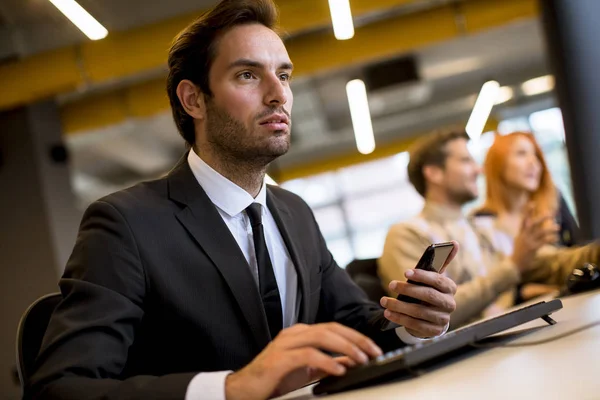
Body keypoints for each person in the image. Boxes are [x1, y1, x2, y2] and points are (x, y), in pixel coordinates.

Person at [27, 1, 458, 399]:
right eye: (248, 75)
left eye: (284, 75)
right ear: (193, 99)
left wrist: (409, 326)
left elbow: (355, 325)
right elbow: (61, 387)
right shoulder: (125, 224)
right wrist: (231, 388)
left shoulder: (294, 212)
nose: (279, 95)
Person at [378, 130, 599, 328]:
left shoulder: (482, 227)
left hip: (513, 336)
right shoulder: (407, 234)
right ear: (434, 173)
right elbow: (427, 313)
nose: (479, 169)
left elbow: (551, 263)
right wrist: (512, 266)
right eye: (466, 161)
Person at [476, 131, 581, 301]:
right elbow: (494, 285)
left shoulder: (555, 203)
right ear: (498, 164)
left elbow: (576, 250)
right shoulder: (480, 221)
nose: (534, 163)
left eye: (536, 155)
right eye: (521, 154)